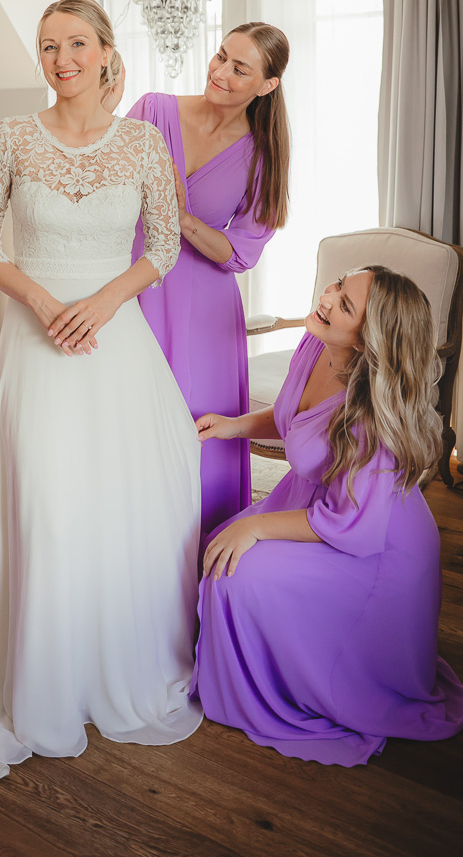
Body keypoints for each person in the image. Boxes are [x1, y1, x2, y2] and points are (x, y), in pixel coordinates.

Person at [0, 0, 202, 801]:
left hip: (114, 339)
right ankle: (44, 675)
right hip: (36, 337)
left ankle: (113, 659)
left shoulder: (144, 141)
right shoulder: (12, 137)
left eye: (77, 43)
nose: (62, 60)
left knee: (123, 498)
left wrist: (105, 301)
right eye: (49, 45)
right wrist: (45, 303)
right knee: (48, 501)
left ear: (105, 51)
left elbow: (164, 243)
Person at [192, 266, 463, 765]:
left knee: (233, 574)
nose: (327, 297)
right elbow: (292, 417)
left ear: (366, 339)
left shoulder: (370, 419)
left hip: (372, 545)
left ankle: (287, 684)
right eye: (338, 284)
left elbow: (349, 523)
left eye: (345, 304)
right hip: (321, 505)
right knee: (216, 546)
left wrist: (256, 526)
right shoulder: (318, 341)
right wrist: (233, 427)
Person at [124, 23, 290, 542]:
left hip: (205, 311)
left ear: (267, 85)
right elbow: (104, 187)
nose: (220, 72)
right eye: (221, 57)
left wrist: (181, 219)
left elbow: (241, 252)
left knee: (198, 433)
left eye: (240, 69)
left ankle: (200, 554)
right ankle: (127, 549)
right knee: (129, 420)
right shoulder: (152, 111)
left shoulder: (263, 155)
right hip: (133, 289)